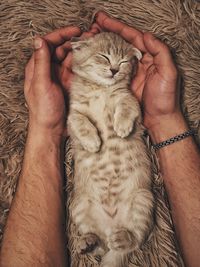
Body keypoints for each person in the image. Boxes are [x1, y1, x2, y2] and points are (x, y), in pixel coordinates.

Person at [0, 11, 199, 267]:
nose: (114, 68)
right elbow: (76, 118)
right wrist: (75, 128)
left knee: (140, 200)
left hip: (129, 188)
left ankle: (129, 239)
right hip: (93, 191)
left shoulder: (123, 93)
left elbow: (127, 106)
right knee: (82, 204)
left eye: (123, 62)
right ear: (80, 53)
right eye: (104, 58)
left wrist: (143, 114)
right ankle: (94, 237)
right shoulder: (79, 93)